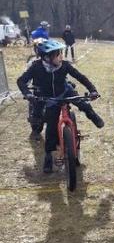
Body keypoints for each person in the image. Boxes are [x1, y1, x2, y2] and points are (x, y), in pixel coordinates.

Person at [17, 39, 103, 173]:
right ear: (47, 57)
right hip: (50, 98)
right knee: (51, 127)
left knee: (82, 102)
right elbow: (21, 81)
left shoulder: (64, 65)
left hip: (64, 90)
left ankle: (93, 116)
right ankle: (48, 156)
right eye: (58, 55)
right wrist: (28, 94)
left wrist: (92, 90)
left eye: (61, 53)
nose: (61, 57)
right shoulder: (36, 67)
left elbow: (81, 77)